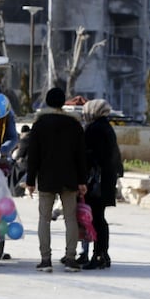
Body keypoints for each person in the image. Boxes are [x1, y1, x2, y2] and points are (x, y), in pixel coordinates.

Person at [26, 87, 87, 273]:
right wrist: (82, 180)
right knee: (70, 219)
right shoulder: (74, 124)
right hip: (70, 178)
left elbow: (33, 155)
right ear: (63, 102)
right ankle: (71, 259)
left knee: (44, 219)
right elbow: (81, 155)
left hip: (46, 178)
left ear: (47, 101)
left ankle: (45, 260)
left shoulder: (40, 124)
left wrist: (30, 180)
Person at [81, 99, 123, 270]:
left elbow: (91, 156)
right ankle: (102, 254)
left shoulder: (94, 129)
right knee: (100, 218)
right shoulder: (106, 127)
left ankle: (98, 255)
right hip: (105, 181)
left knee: (97, 219)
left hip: (96, 182)